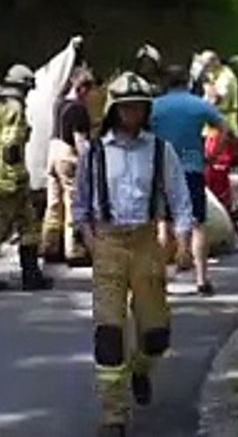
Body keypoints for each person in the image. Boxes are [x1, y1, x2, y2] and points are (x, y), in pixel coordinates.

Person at [72, 72, 192, 437]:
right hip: (108, 243)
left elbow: (179, 198)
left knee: (156, 335)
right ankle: (114, 413)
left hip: (145, 243)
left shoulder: (159, 150)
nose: (132, 114)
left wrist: (183, 241)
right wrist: (90, 239)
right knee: (109, 332)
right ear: (114, 110)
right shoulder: (94, 153)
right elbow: (81, 204)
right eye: (126, 107)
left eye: (139, 107)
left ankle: (141, 369)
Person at [0, 63, 54, 292]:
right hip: (10, 179)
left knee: (28, 223)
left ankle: (31, 275)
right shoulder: (15, 109)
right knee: (0, 226)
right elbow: (11, 145)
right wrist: (19, 176)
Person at [151, 64, 229, 296]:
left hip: (163, 170)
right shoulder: (198, 104)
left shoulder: (155, 106)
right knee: (197, 224)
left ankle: (161, 280)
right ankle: (201, 279)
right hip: (192, 169)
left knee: (163, 224)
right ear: (187, 81)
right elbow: (223, 127)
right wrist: (213, 155)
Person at [41, 67, 96, 267]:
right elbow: (80, 139)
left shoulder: (59, 103)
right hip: (67, 154)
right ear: (82, 88)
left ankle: (50, 245)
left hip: (52, 151)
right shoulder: (79, 109)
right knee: (73, 201)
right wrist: (88, 162)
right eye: (88, 91)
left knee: (53, 203)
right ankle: (74, 249)